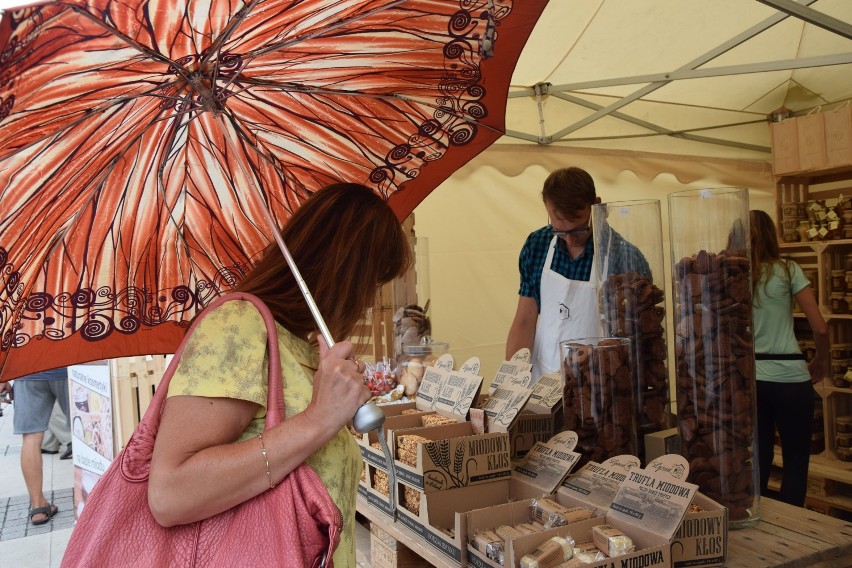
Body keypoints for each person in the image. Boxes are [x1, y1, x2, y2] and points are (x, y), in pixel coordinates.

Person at [146, 182, 411, 566]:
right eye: (372, 284)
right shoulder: (238, 327)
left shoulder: (293, 343)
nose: (370, 302)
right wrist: (317, 420)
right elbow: (171, 494)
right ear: (347, 274)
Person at [506, 167, 650, 378]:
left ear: (598, 206)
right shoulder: (538, 244)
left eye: (579, 229)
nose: (571, 239)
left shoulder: (624, 257)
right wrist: (510, 378)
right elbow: (525, 320)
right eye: (561, 231)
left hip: (599, 386)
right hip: (542, 379)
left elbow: (636, 339)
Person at [749, 209, 829, 507]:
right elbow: (819, 327)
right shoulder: (788, 270)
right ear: (772, 236)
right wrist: (821, 360)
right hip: (791, 378)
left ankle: (759, 517)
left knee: (759, 455)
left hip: (753, 378)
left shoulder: (734, 274)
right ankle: (791, 520)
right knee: (796, 458)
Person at [0, 367, 71, 525]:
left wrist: (4, 376)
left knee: (31, 438)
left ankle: (38, 506)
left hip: (28, 371)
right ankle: (97, 497)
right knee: (87, 431)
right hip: (70, 365)